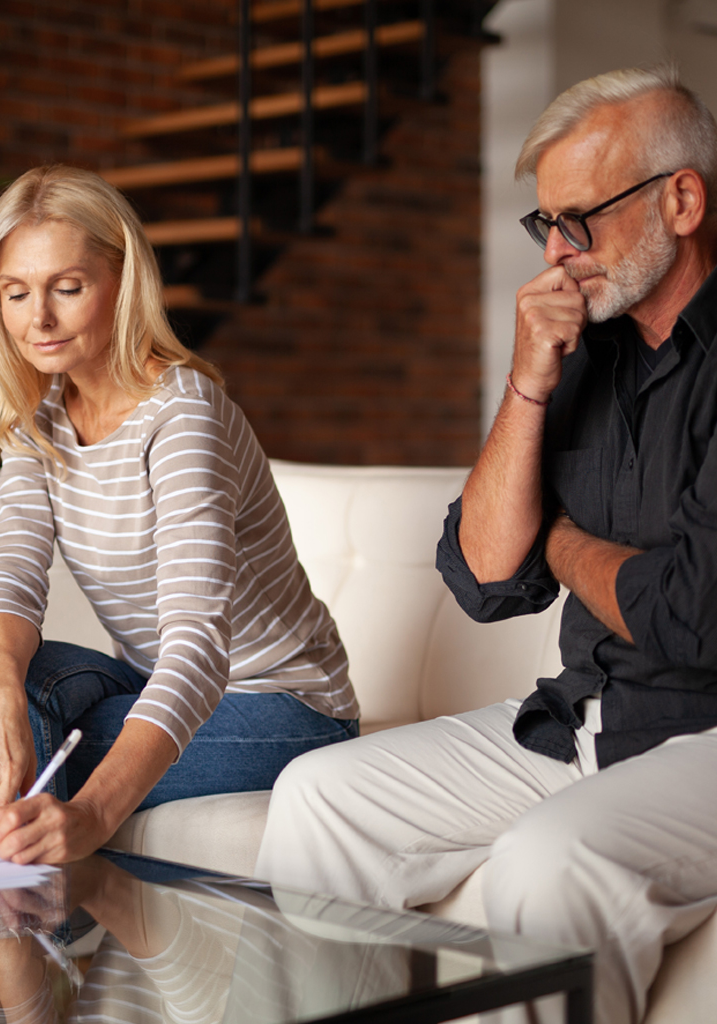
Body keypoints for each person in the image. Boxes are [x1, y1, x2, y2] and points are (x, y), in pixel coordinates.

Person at [254, 64, 717, 1024]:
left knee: (548, 865)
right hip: (586, 715)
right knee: (319, 800)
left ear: (681, 199)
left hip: (706, 728)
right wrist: (528, 385)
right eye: (544, 223)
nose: (557, 251)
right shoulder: (582, 352)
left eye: (580, 217)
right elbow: (483, 575)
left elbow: (688, 614)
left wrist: (558, 543)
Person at [0, 164, 359, 866]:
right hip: (146, 678)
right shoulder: (34, 414)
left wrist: (93, 815)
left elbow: (198, 647)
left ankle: (11, 959)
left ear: (123, 283)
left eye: (67, 289)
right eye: (15, 293)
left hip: (283, 703)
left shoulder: (181, 415)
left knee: (16, 759)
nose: (36, 318)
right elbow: (12, 571)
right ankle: (17, 947)